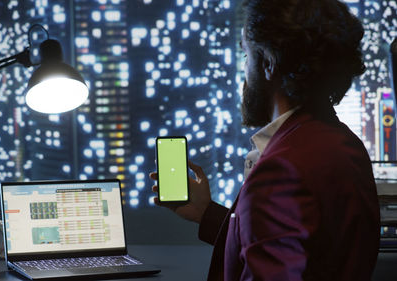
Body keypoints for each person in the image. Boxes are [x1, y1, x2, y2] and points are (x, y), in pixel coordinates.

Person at [150, 0, 381, 280]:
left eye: (246, 55)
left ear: (268, 63)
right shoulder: (344, 144)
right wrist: (207, 214)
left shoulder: (284, 168)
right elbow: (299, 249)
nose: (245, 72)